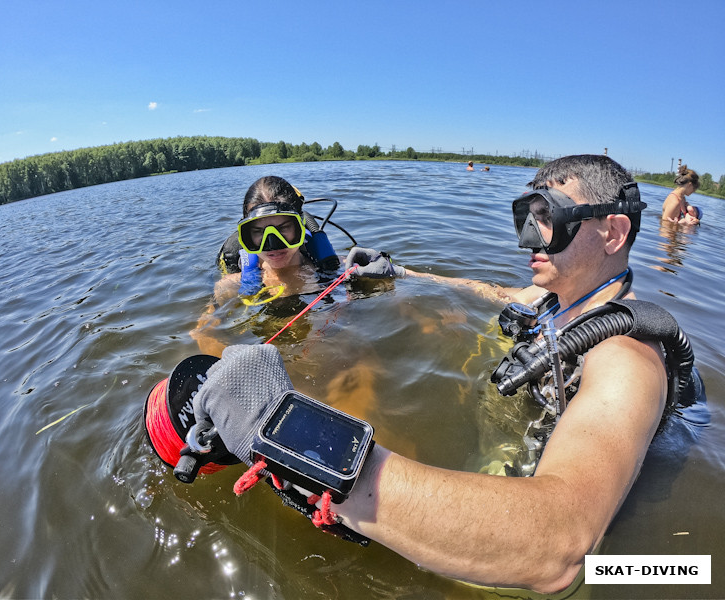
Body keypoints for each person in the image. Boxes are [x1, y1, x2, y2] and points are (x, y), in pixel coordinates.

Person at [189, 155, 696, 593]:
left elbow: (559, 546)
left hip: (554, 573)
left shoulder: (625, 358)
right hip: (489, 500)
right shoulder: (548, 303)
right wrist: (403, 274)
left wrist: (294, 438)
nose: (530, 238)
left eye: (551, 219)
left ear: (613, 232)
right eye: (528, 217)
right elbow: (483, 290)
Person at [191, 175, 343, 355]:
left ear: (300, 228)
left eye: (284, 228)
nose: (272, 244)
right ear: (247, 236)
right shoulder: (231, 284)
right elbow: (203, 333)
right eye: (258, 232)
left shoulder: (332, 269)